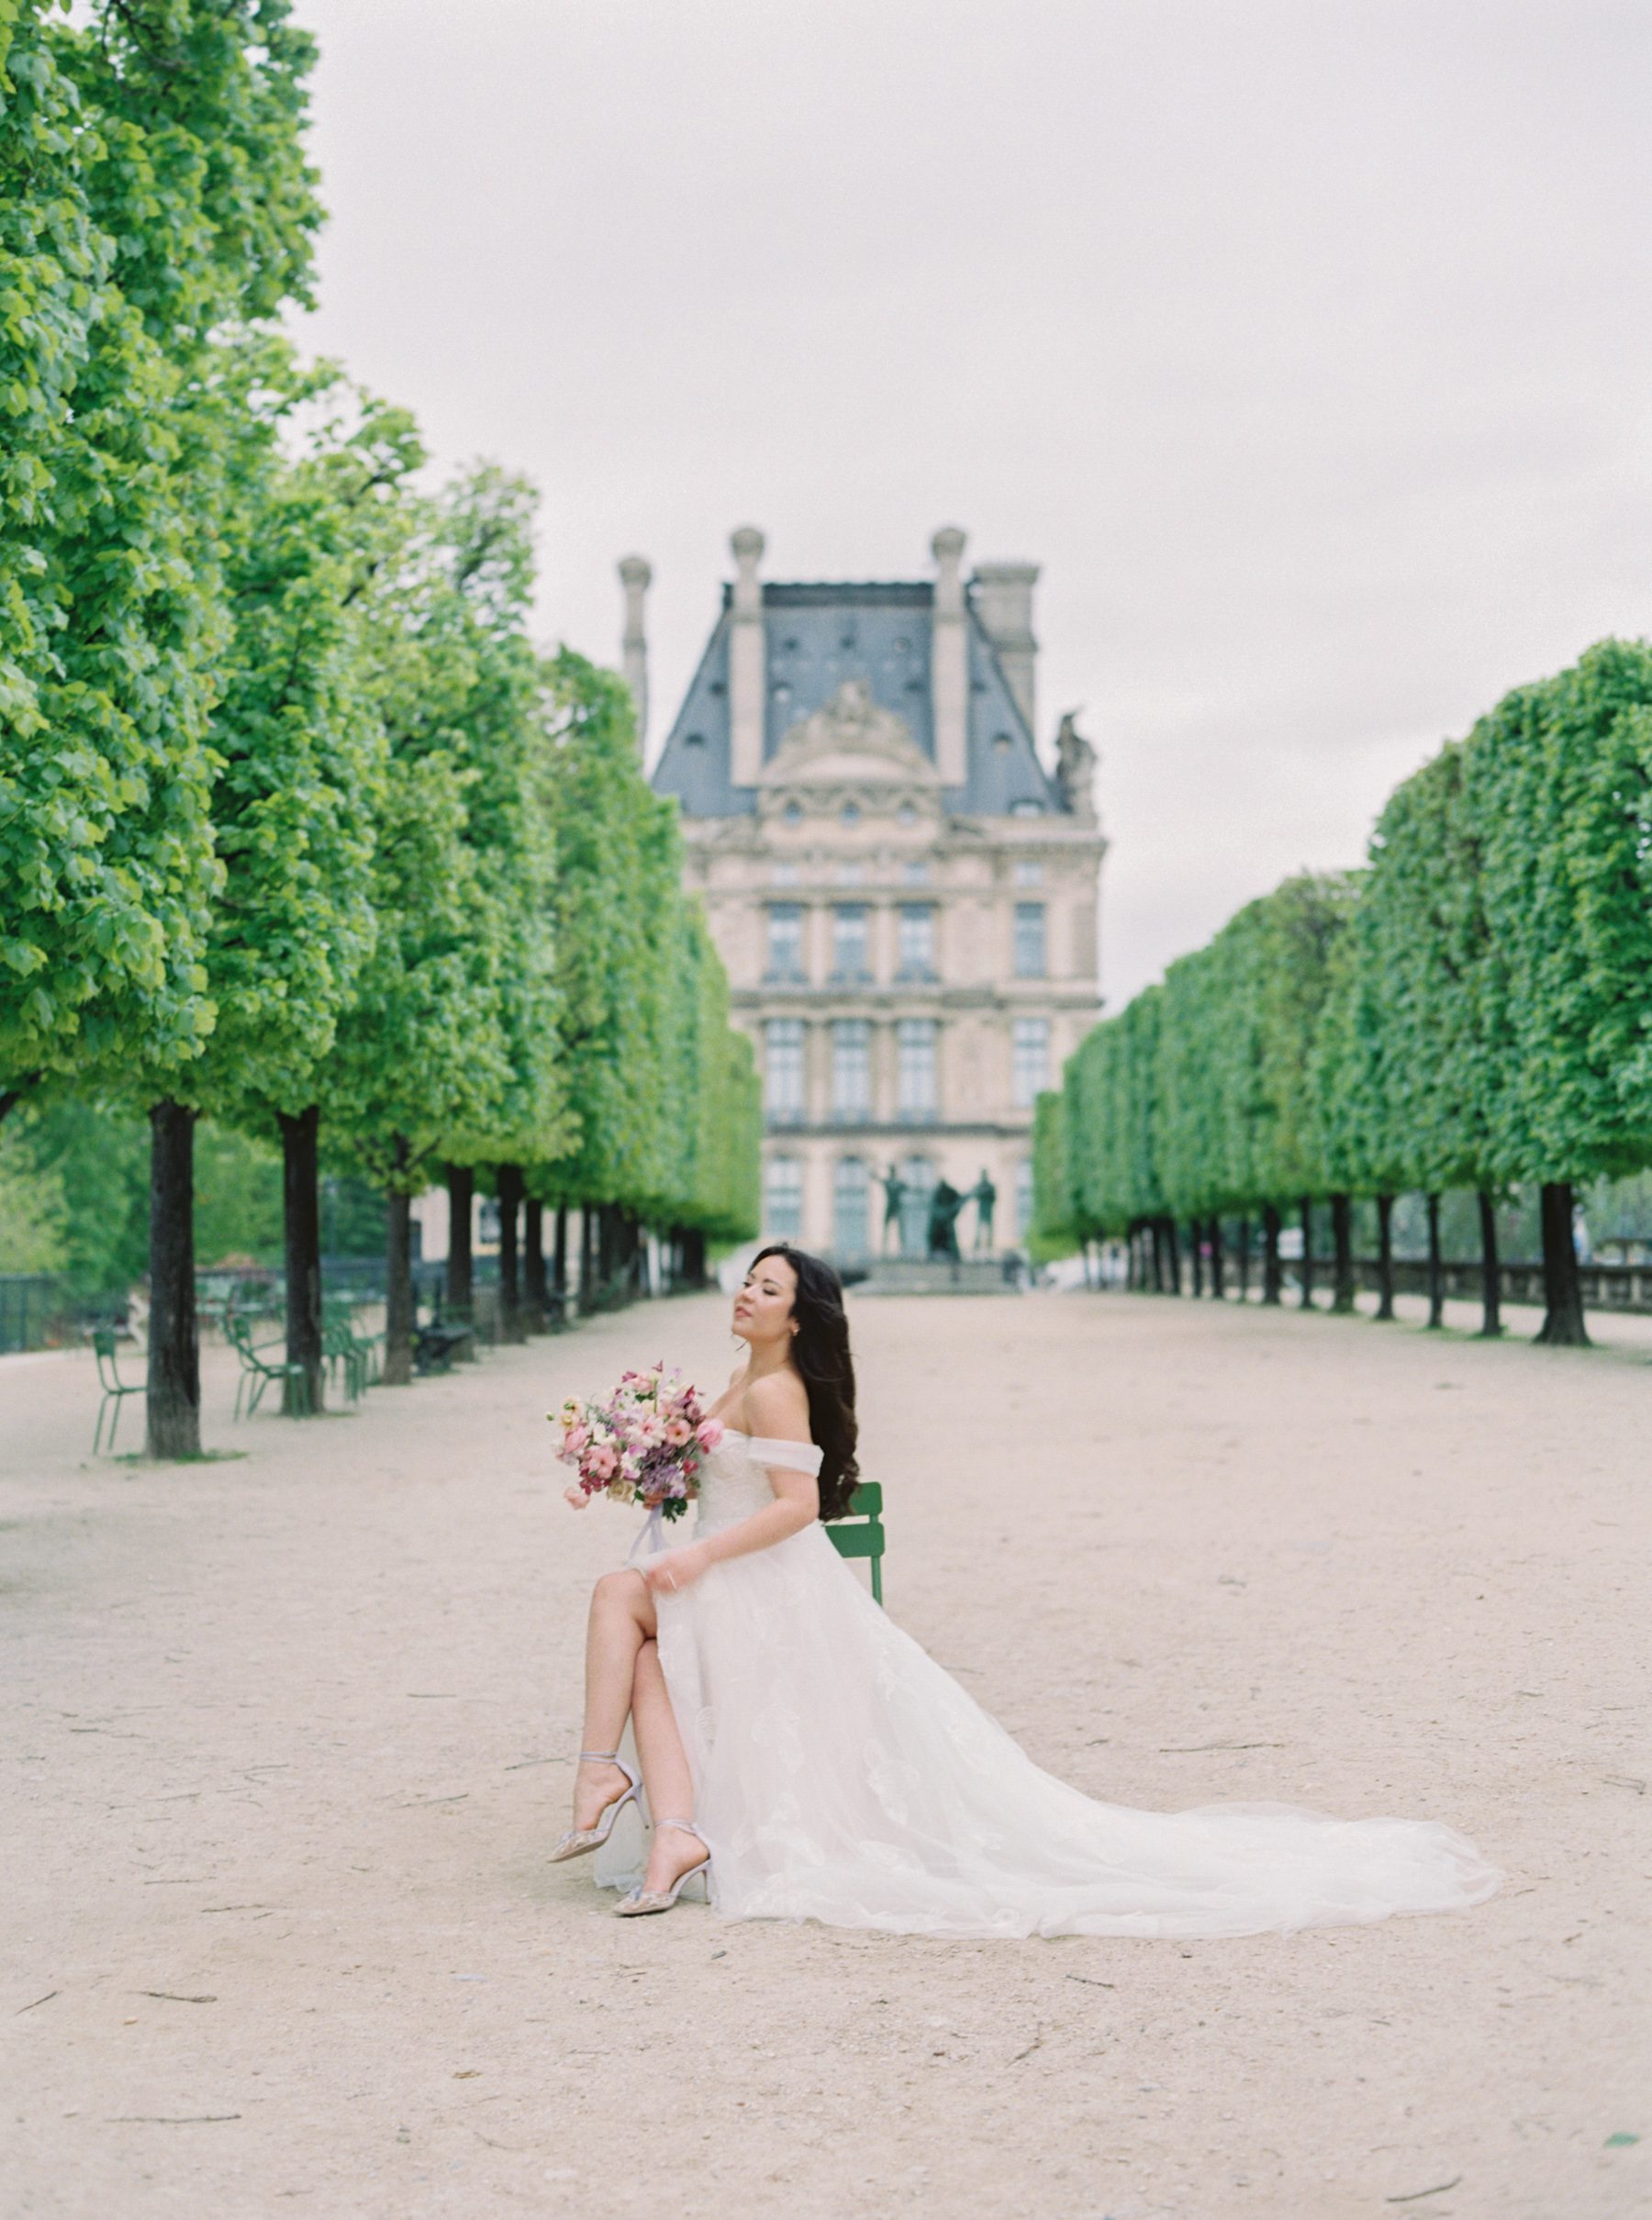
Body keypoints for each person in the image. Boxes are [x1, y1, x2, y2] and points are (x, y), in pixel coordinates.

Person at [553, 1244, 1502, 1935]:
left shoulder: (776, 1387)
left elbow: (800, 1506)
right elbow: (721, 1480)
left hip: (752, 1580)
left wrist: (697, 1558)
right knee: (642, 1652)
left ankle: (604, 1770)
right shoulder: (734, 1379)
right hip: (735, 1574)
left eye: (768, 1288)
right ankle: (675, 1829)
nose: (747, 1295)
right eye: (748, 1282)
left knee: (614, 1597)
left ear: (798, 1318)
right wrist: (646, 1460)